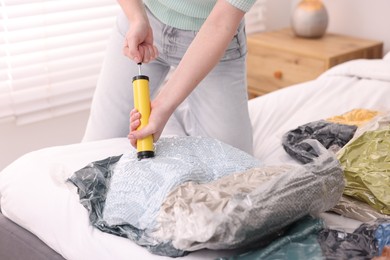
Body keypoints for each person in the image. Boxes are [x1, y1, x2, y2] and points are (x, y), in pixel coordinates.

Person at [83, 0, 256, 155]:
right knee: (95, 149)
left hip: (212, 37)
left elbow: (221, 23)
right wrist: (136, 18)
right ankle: (183, 114)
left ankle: (182, 113)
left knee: (236, 165)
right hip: (144, 21)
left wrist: (163, 107)